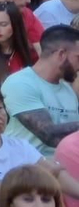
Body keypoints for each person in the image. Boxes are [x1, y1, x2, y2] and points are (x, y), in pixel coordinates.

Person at [4, 24, 79, 153]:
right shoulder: (20, 83)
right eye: (78, 57)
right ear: (61, 54)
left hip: (65, 166)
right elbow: (48, 134)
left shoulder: (67, 89)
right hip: (30, 169)